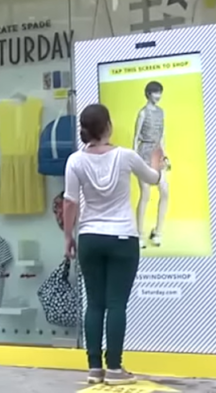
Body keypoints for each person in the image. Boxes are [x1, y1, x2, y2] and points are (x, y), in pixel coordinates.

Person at [63, 103, 163, 384]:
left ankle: (94, 368)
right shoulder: (126, 156)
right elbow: (153, 179)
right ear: (108, 127)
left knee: (94, 303)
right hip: (122, 238)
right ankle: (116, 369)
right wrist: (156, 160)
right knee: (116, 304)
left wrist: (68, 237)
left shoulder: (75, 161)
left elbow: (70, 202)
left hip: (90, 238)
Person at [133, 80, 171, 248]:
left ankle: (158, 232)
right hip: (143, 153)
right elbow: (135, 138)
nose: (158, 96)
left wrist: (165, 156)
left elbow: (162, 136)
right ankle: (139, 234)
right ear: (148, 94)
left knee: (164, 191)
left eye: (160, 92)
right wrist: (134, 158)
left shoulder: (161, 112)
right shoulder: (142, 113)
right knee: (145, 194)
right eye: (156, 92)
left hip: (157, 153)